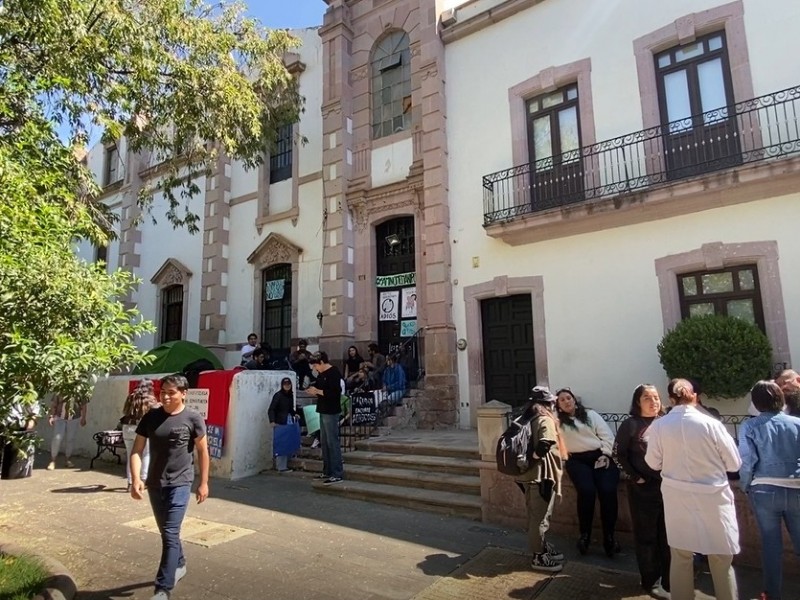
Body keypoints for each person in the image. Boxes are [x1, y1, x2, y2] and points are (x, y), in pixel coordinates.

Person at [645, 378, 741, 600]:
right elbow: (734, 463)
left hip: (677, 498)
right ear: (695, 396)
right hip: (713, 499)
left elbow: (652, 462)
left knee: (680, 557)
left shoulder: (659, 426)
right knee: (721, 559)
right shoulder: (712, 425)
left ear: (671, 398)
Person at [130, 374, 209, 600]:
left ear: (183, 393)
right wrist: (136, 478)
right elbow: (137, 450)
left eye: (171, 392)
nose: (164, 396)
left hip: (181, 482)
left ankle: (162, 588)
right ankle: (180, 562)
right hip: (155, 483)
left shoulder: (193, 418)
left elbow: (203, 451)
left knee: (171, 531)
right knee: (167, 532)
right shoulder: (151, 417)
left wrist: (203, 483)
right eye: (162, 392)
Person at [739, 380, 800, 600]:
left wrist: (745, 485)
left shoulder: (749, 426)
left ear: (756, 402)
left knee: (771, 545)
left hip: (764, 489)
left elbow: (747, 462)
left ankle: (772, 594)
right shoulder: (796, 423)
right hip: (796, 487)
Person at [612, 384, 670, 599]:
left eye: (656, 397)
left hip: (669, 488)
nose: (653, 401)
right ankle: (650, 580)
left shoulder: (666, 423)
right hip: (643, 490)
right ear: (638, 402)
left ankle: (669, 578)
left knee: (667, 535)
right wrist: (636, 477)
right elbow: (618, 455)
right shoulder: (630, 425)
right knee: (647, 536)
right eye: (647, 397)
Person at [555, 387, 620, 557]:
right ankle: (585, 535)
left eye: (568, 398)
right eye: (562, 400)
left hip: (600, 456)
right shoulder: (558, 422)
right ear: (558, 406)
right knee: (587, 491)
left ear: (574, 400)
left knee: (607, 491)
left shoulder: (591, 416)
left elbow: (607, 436)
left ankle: (610, 538)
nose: (566, 401)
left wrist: (606, 455)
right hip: (577, 460)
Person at [516, 386, 565, 573]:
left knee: (534, 515)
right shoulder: (545, 419)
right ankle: (539, 556)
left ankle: (543, 547)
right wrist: (533, 459)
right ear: (548, 403)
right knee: (540, 518)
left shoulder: (526, 417)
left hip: (525, 476)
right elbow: (545, 443)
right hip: (541, 476)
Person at [306, 351, 344, 485]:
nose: (315, 369)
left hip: (331, 411)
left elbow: (335, 393)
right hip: (322, 409)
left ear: (321, 362)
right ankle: (327, 470)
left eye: (316, 365)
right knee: (325, 441)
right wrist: (313, 390)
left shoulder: (333, 372)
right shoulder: (321, 375)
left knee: (332, 441)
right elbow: (321, 390)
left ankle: (337, 472)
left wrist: (317, 391)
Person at [120, 380, 158, 491]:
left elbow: (125, 411)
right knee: (146, 454)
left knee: (131, 455)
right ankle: (143, 480)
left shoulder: (131, 397)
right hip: (142, 429)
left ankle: (131, 482)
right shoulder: (151, 400)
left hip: (127, 427)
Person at [47, 393, 88, 470]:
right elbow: (54, 404)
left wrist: (83, 417)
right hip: (60, 417)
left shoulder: (80, 390)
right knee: (57, 438)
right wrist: (51, 416)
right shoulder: (60, 389)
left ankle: (68, 459)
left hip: (74, 418)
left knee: (70, 439)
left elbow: (84, 405)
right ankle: (53, 460)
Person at [0, 399, 39, 479]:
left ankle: (13, 475)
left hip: (21, 429)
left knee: (16, 460)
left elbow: (34, 412)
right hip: (3, 427)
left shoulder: (28, 395)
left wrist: (31, 424)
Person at [269, 377, 298, 473]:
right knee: (281, 443)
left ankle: (284, 465)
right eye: (285, 384)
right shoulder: (278, 395)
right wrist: (272, 421)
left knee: (287, 442)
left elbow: (290, 409)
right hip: (280, 422)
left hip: (287, 421)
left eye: (289, 384)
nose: (287, 386)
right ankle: (281, 467)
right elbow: (271, 409)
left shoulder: (290, 395)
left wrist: (295, 414)